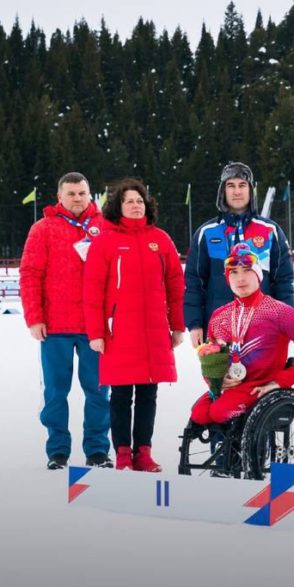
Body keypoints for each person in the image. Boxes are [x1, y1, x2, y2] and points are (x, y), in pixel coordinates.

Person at [83, 178, 185, 472]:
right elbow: (92, 289)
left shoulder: (161, 240)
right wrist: (96, 332)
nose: (136, 206)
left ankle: (144, 452)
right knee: (121, 396)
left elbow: (175, 286)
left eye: (139, 201)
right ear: (118, 206)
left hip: (154, 330)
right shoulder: (105, 241)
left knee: (148, 395)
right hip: (119, 332)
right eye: (129, 201)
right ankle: (124, 453)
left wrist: (177, 326)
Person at [19, 172, 111, 471]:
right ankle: (57, 450)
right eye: (71, 194)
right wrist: (34, 318)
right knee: (56, 393)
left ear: (90, 195)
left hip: (94, 328)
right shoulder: (42, 229)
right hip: (55, 327)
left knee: (98, 391)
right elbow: (30, 274)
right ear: (60, 196)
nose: (77, 199)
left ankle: (97, 450)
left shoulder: (105, 227)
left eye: (82, 193)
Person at [189, 243, 294, 426]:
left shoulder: (278, 311)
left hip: (261, 387)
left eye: (247, 270)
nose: (240, 278)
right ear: (227, 279)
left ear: (258, 275)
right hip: (232, 388)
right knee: (199, 413)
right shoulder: (219, 316)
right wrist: (215, 380)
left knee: (218, 411)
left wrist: (281, 382)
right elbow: (210, 359)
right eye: (233, 272)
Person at [184, 162, 294, 350]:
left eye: (242, 185)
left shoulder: (270, 231)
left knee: (262, 380)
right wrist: (195, 324)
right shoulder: (206, 232)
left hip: (263, 328)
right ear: (223, 191)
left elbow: (283, 281)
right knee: (224, 380)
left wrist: (288, 322)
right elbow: (195, 284)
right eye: (231, 185)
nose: (237, 191)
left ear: (250, 190)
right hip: (218, 329)